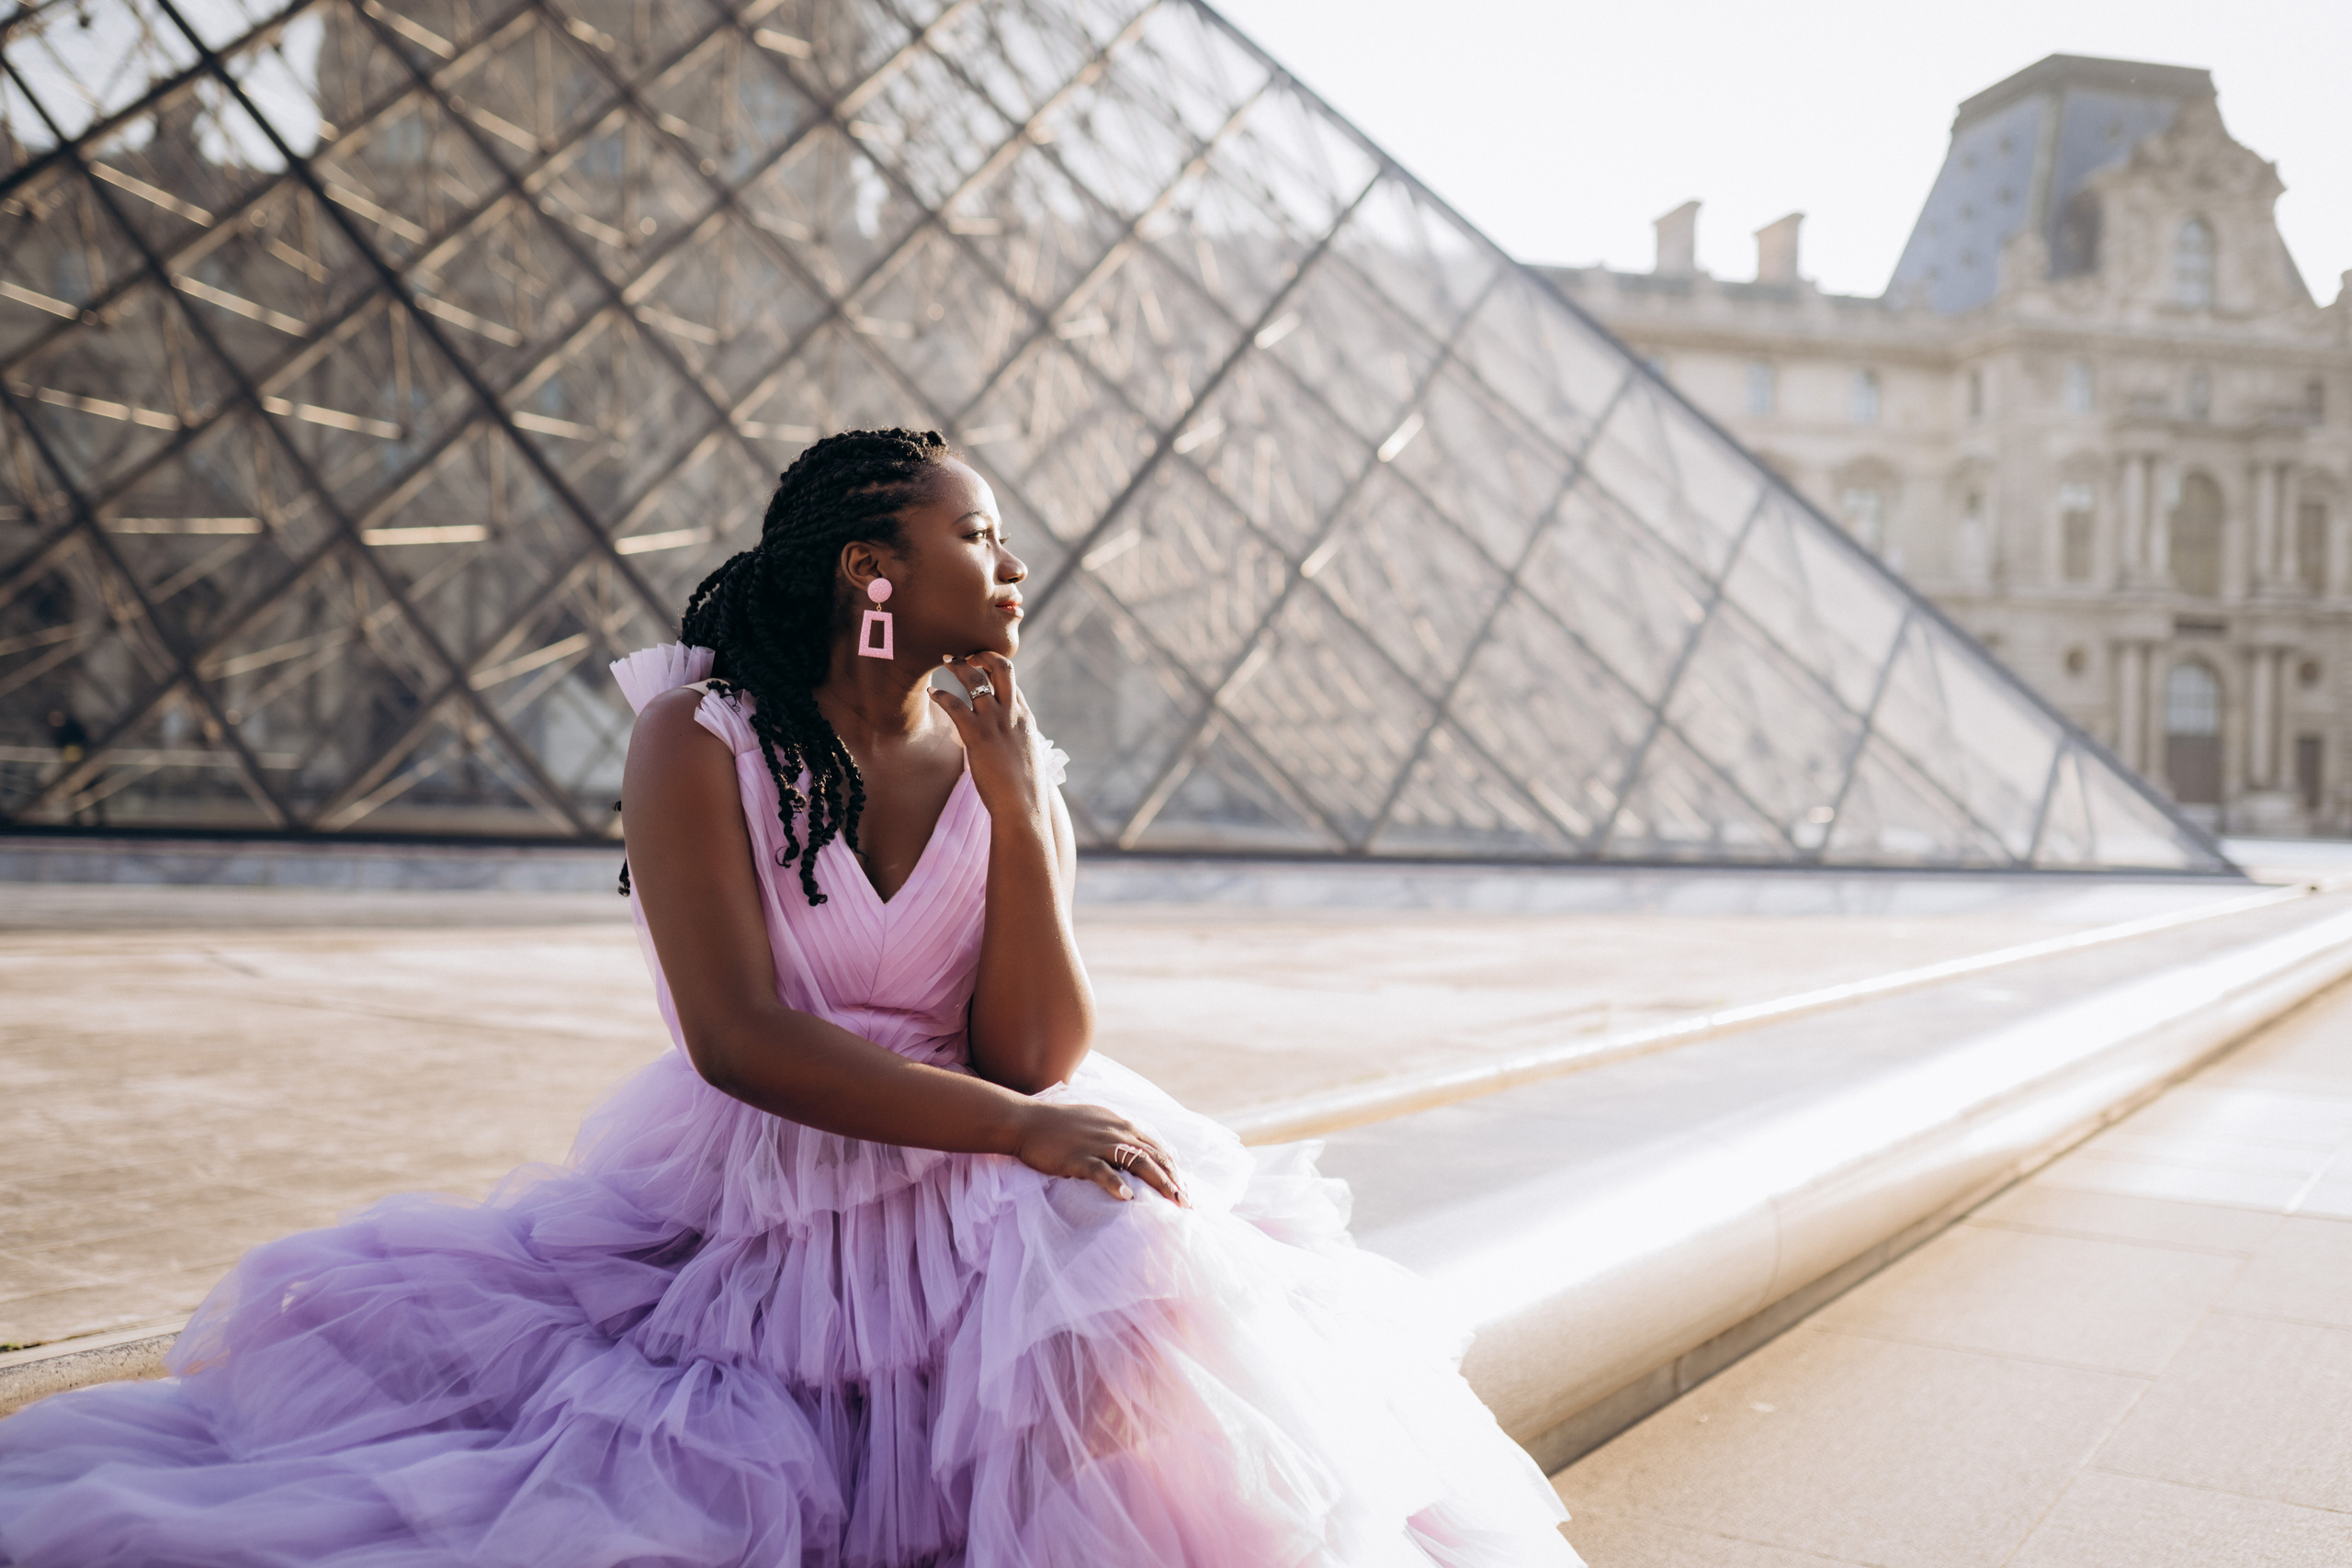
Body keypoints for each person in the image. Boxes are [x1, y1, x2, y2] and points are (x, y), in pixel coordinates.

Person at [0, 429, 1582, 1566]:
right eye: (979, 535)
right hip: (773, 1178)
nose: (1013, 564)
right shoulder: (700, 739)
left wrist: (1024, 811)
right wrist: (1023, 1136)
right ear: (871, 570)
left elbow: (1037, 1054)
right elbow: (742, 1040)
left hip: (975, 1157)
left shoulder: (1004, 759)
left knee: (1152, 1269)